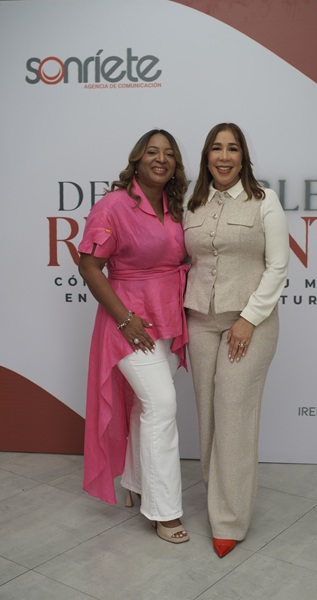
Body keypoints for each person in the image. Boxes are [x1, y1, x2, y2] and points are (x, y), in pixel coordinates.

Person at [78, 129, 190, 543]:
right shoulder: (113, 205)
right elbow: (89, 266)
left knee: (148, 408)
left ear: (176, 165)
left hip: (168, 320)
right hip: (129, 324)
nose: (161, 159)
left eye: (169, 154)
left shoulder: (175, 207)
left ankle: (137, 483)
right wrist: (126, 320)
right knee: (161, 405)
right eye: (152, 152)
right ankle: (164, 511)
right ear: (137, 160)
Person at [184, 123, 289, 557]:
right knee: (209, 416)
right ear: (206, 156)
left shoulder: (265, 201)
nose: (224, 157)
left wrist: (249, 318)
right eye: (216, 148)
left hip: (250, 324)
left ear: (243, 156)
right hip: (199, 322)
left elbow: (278, 266)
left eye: (232, 149)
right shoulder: (191, 204)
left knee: (233, 412)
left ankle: (229, 519)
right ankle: (219, 499)